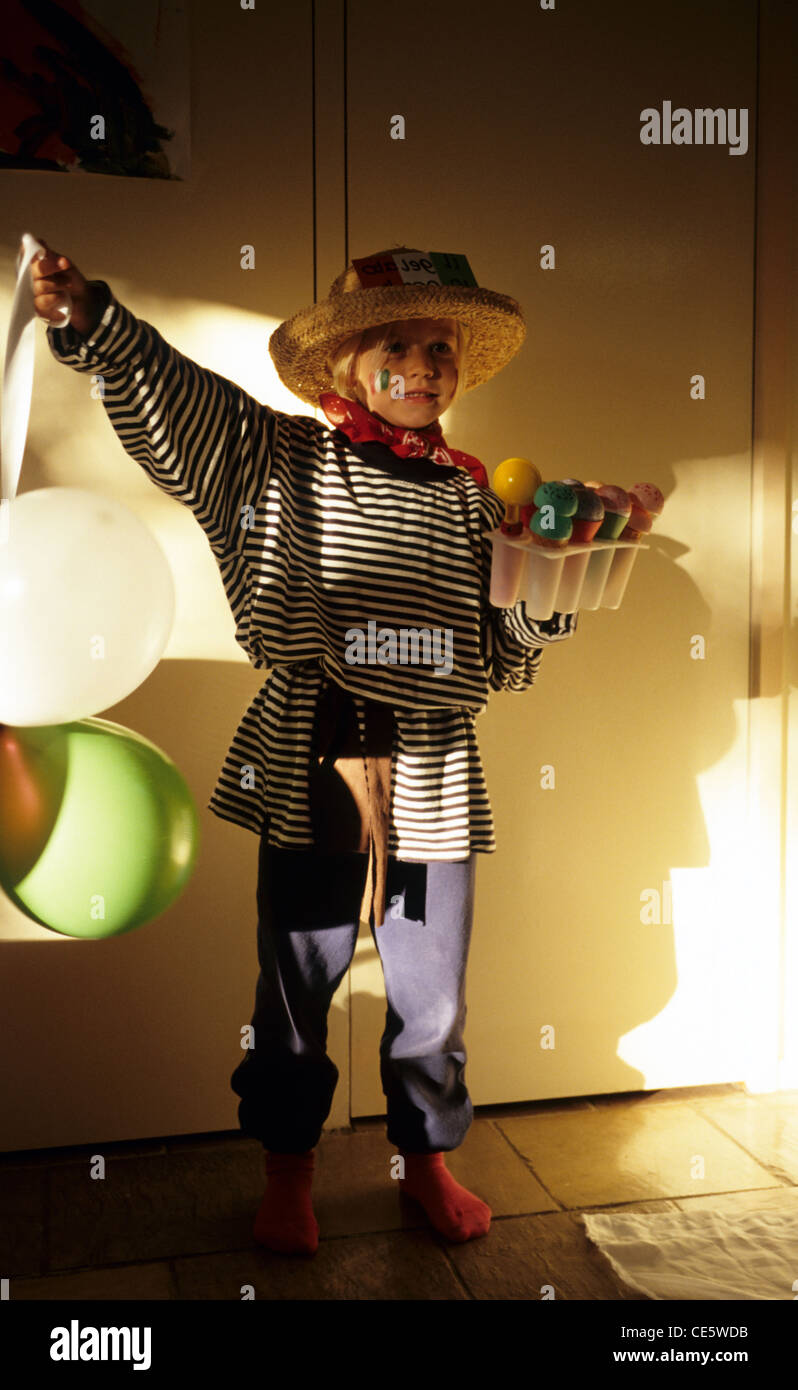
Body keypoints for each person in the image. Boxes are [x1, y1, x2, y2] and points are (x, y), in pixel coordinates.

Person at [32, 240, 578, 1255]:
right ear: (340, 369)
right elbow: (191, 410)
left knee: (434, 989)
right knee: (293, 981)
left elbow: (498, 650)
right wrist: (99, 321)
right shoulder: (285, 461)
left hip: (436, 765)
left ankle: (425, 1160)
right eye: (397, 343)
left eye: (439, 347)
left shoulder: (471, 498)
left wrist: (555, 595)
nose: (423, 364)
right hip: (310, 749)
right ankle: (289, 1170)